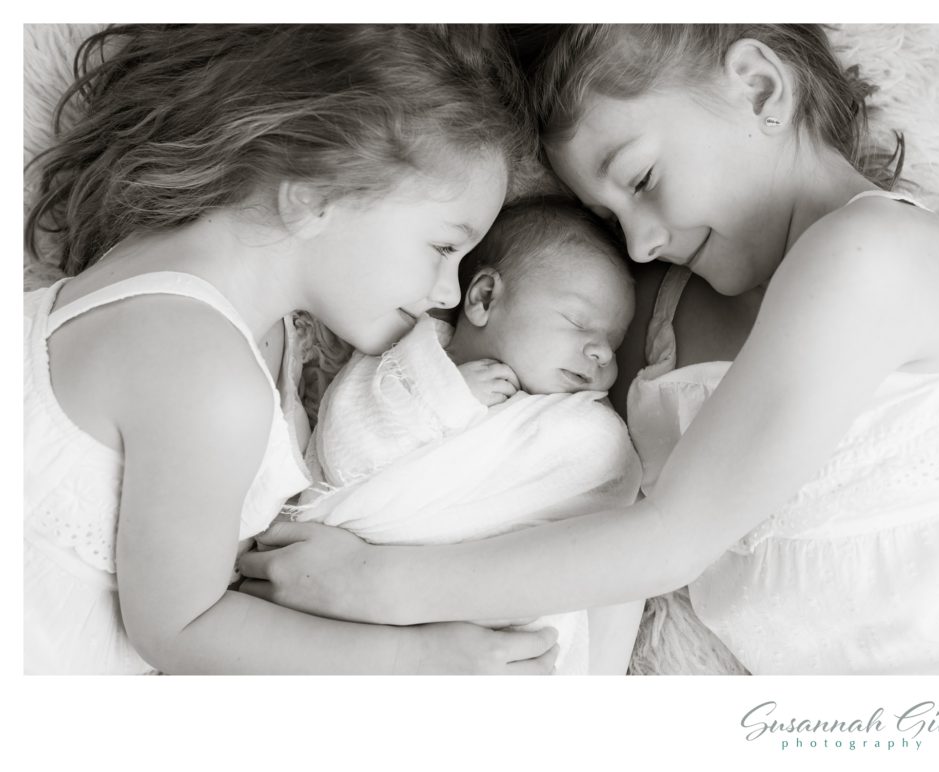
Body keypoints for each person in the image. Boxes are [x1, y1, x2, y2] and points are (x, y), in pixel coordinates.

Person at [239, 24, 939, 675]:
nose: (637, 240)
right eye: (604, 211)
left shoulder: (875, 250)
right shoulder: (652, 311)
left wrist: (373, 583)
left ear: (761, 90)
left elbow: (670, 538)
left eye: (641, 178)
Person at [23, 23, 562, 674]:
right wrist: (420, 660)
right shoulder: (202, 372)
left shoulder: (237, 316)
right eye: (444, 247)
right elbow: (178, 627)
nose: (449, 293)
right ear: (314, 197)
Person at [288, 199, 644, 674]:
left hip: (507, 626)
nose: (601, 352)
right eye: (579, 322)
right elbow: (347, 448)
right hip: (361, 604)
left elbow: (605, 510)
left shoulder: (574, 423)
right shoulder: (409, 367)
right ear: (484, 298)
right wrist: (447, 394)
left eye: (614, 343)